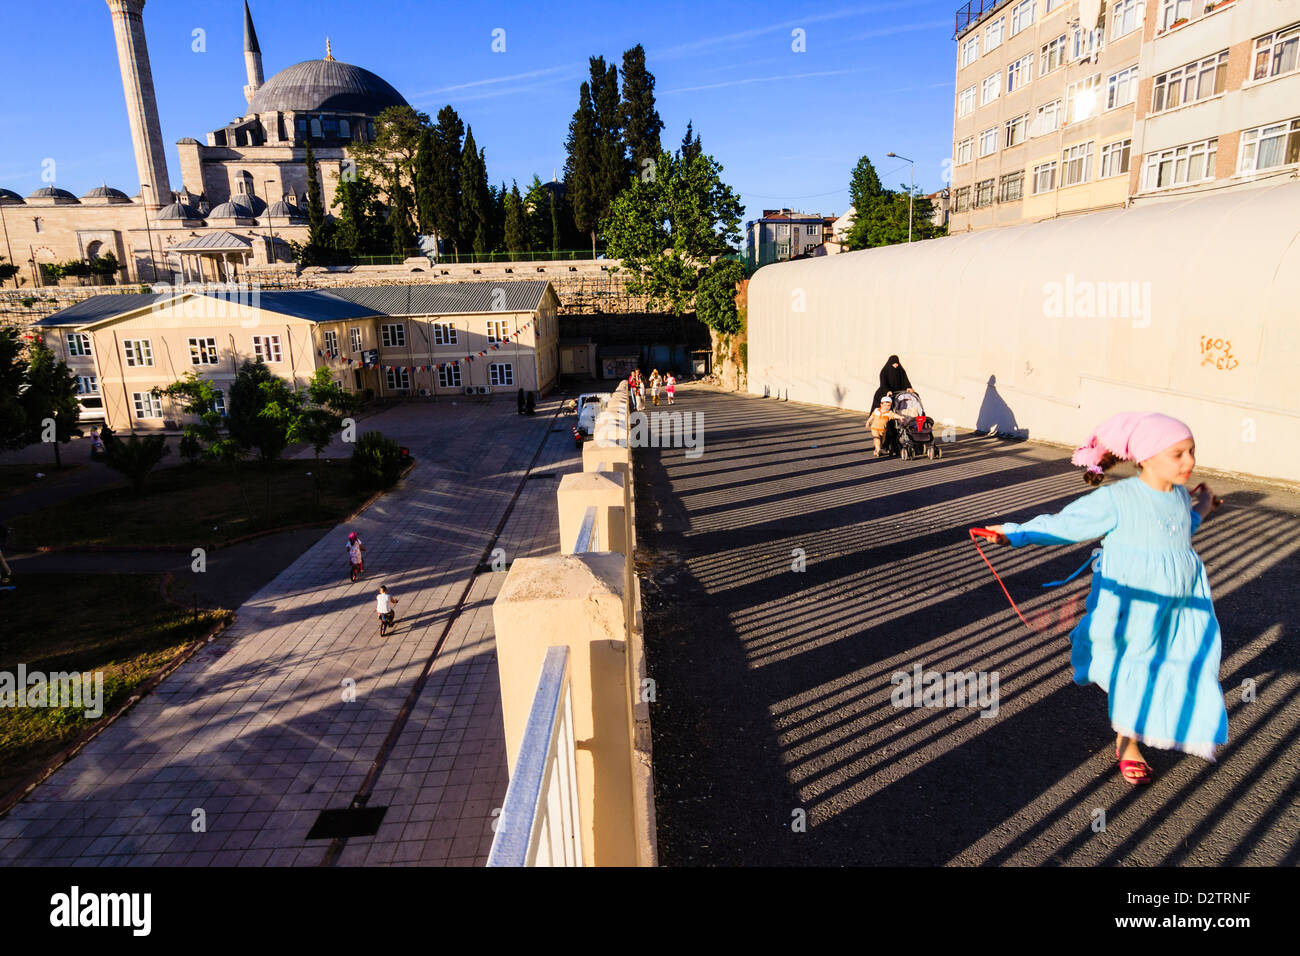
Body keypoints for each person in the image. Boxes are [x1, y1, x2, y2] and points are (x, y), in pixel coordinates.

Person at [984, 412, 1227, 785]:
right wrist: (1015, 533)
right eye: (1178, 453)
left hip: (1181, 598)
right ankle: (1128, 743)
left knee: (1186, 658)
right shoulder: (1118, 498)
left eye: (1191, 451)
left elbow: (1181, 529)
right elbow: (1064, 525)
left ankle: (1172, 716)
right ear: (1145, 457)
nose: (1190, 462)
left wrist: (1204, 506)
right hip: (1133, 600)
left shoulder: (1178, 495)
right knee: (1135, 666)